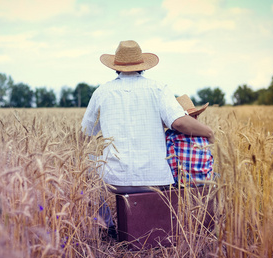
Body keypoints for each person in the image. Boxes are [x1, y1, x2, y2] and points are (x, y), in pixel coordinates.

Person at [81, 40, 214, 239]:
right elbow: (179, 123)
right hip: (157, 180)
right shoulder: (158, 89)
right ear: (142, 66)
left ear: (116, 67)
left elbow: (86, 132)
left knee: (83, 167)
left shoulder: (101, 92)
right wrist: (209, 132)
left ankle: (106, 226)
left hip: (114, 180)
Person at [165, 95, 214, 187]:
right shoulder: (204, 137)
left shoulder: (170, 135)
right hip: (206, 183)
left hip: (179, 185)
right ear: (195, 117)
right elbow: (210, 161)